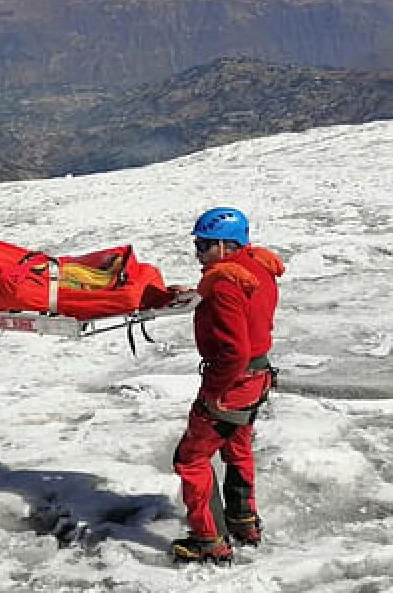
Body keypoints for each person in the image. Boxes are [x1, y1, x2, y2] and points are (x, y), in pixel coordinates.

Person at [171, 206, 285, 563]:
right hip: (258, 377)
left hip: (233, 383)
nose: (199, 253)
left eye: (204, 245)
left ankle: (208, 539)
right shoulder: (257, 268)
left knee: (191, 458)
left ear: (224, 244)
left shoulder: (224, 284)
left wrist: (213, 395)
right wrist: (198, 293)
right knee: (237, 448)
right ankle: (243, 519)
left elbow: (233, 351)